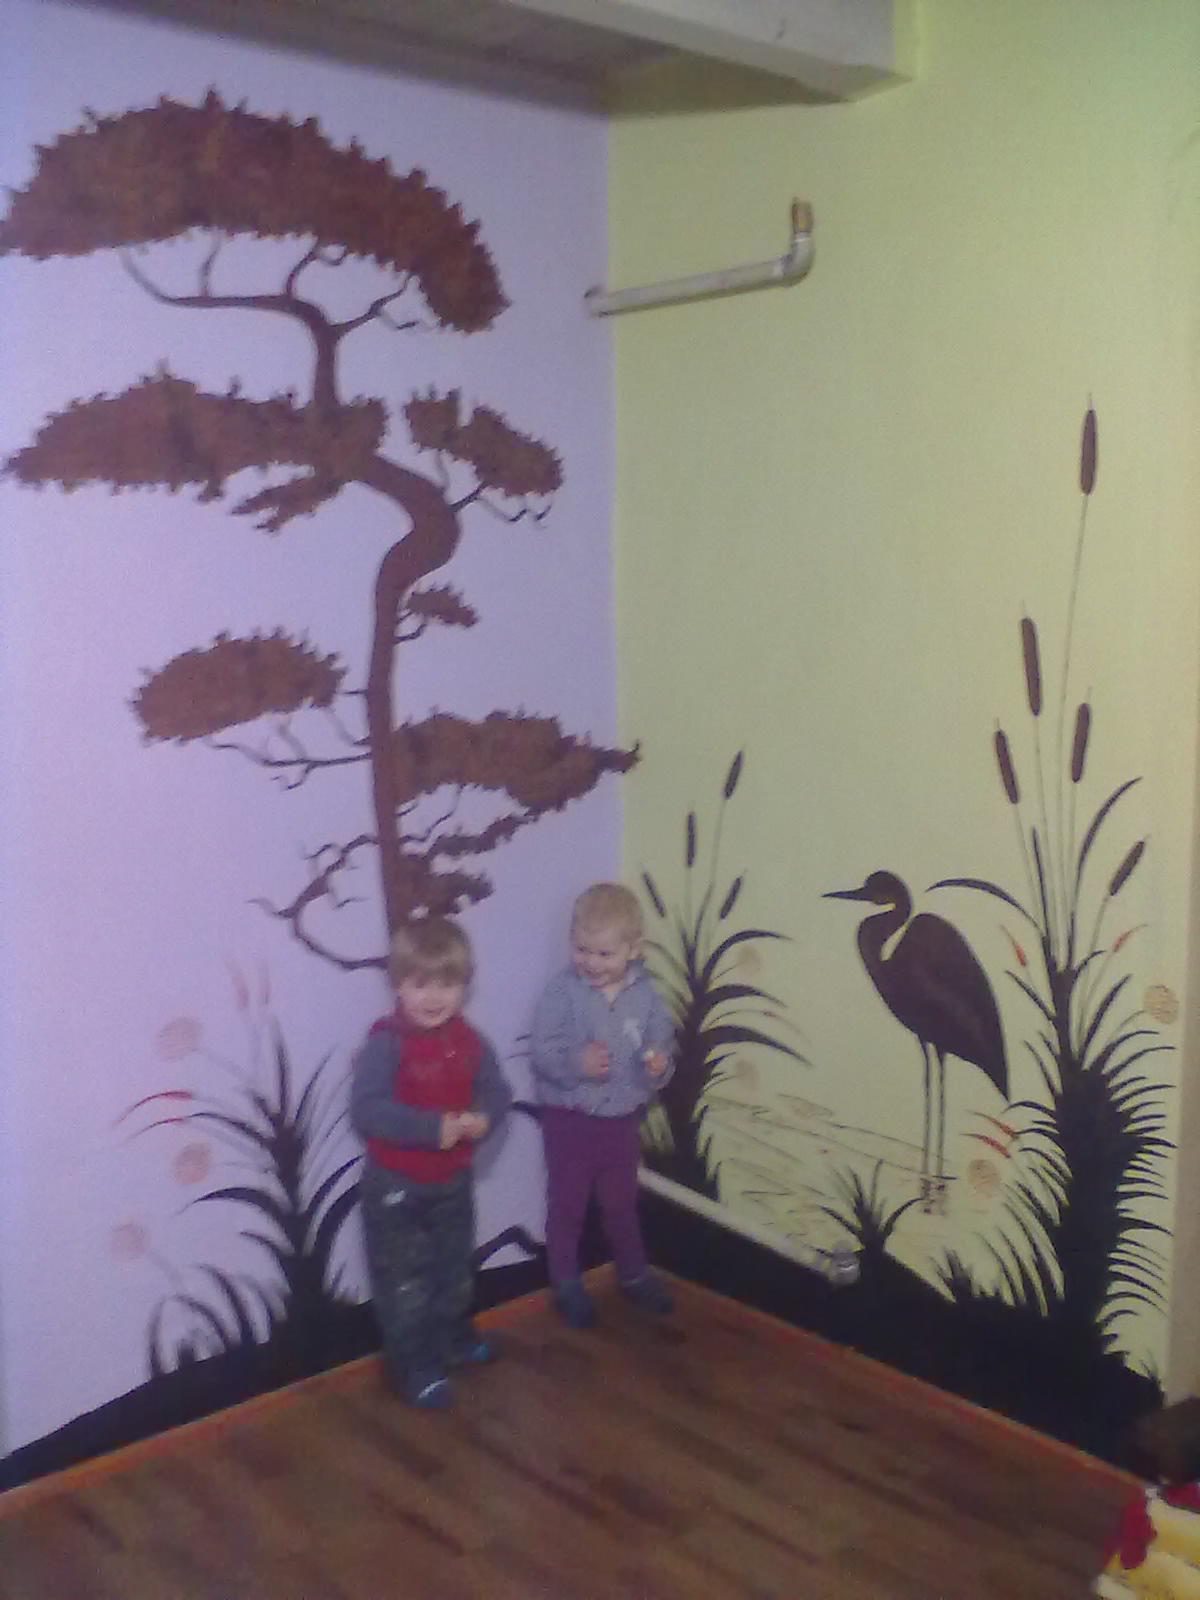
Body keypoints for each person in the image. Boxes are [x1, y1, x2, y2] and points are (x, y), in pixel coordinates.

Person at [351, 916, 510, 1409]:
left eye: (447, 983)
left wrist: (485, 1117)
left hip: (452, 1183)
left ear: (464, 986)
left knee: (454, 1269)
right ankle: (411, 1365)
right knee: (405, 1284)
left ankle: (452, 1339)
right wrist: (429, 1128)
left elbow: (497, 1090)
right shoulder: (386, 1042)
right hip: (395, 1189)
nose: (433, 996)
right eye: (420, 984)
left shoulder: (470, 1041)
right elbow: (367, 1109)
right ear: (398, 984)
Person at [530, 882, 677, 1328]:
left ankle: (633, 1275)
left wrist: (658, 1066)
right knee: (568, 1206)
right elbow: (542, 1053)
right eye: (582, 950)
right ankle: (566, 1283)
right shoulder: (561, 992)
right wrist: (577, 1063)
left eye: (604, 954)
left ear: (634, 949)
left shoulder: (646, 997)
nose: (591, 963)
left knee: (621, 1204)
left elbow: (662, 1044)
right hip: (571, 1120)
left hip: (621, 1122)